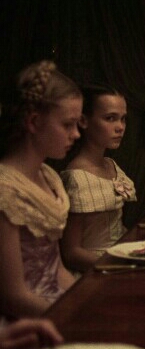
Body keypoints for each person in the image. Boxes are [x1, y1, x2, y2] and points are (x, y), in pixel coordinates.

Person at [0, 60, 81, 319]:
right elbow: (13, 297)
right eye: (68, 124)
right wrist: (72, 318)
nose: (76, 134)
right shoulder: (6, 190)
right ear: (34, 122)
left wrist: (86, 302)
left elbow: (57, 270)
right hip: (26, 320)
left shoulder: (48, 177)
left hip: (54, 301)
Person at [60, 84, 136, 273]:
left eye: (123, 119)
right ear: (84, 121)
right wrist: (120, 265)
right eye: (110, 118)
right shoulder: (77, 177)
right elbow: (71, 252)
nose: (120, 127)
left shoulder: (111, 165)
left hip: (122, 254)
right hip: (95, 268)